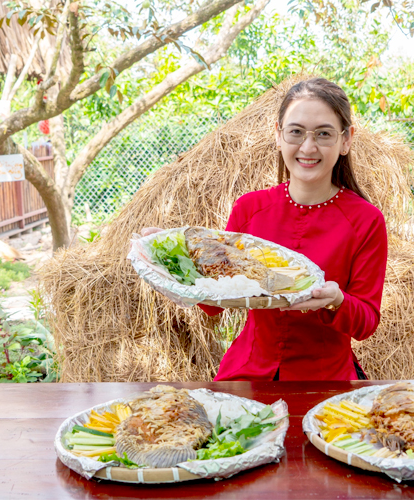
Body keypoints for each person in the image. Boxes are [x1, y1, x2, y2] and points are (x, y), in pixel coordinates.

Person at [142, 78, 388, 381]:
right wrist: (173, 261)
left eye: (324, 133)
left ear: (346, 140)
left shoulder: (366, 220)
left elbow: (366, 323)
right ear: (278, 135)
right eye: (296, 132)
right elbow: (215, 303)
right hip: (246, 374)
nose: (308, 147)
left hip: (326, 381)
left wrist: (337, 300)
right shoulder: (249, 208)